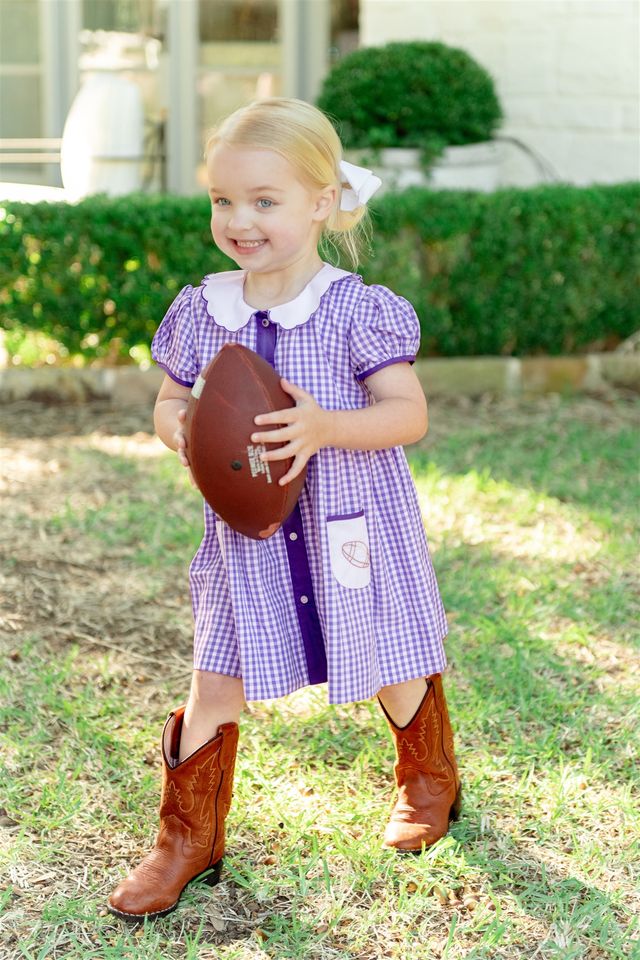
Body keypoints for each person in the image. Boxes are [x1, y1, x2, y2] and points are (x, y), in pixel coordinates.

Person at [107, 97, 461, 923]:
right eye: (223, 201)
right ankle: (185, 838)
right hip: (245, 538)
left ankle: (429, 773)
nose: (239, 220)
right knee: (214, 677)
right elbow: (168, 404)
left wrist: (325, 424)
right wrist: (183, 426)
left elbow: (408, 415)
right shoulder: (205, 306)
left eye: (265, 201)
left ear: (322, 201)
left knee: (386, 657)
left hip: (348, 525)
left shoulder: (353, 308)